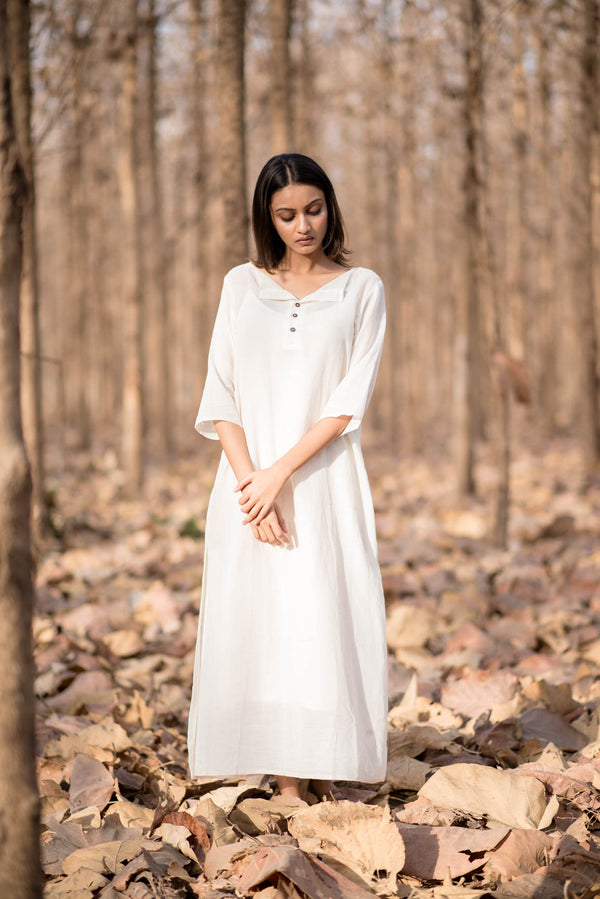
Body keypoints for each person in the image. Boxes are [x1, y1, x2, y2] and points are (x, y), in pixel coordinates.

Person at [188, 153, 388, 804]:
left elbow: (347, 400)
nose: (302, 225)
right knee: (261, 618)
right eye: (286, 215)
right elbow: (221, 395)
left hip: (324, 481)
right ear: (266, 219)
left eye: (313, 209)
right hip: (246, 489)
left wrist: (281, 474)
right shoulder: (241, 286)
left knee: (324, 613)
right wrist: (253, 487)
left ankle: (323, 764)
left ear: (330, 206)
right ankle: (284, 778)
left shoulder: (362, 290)